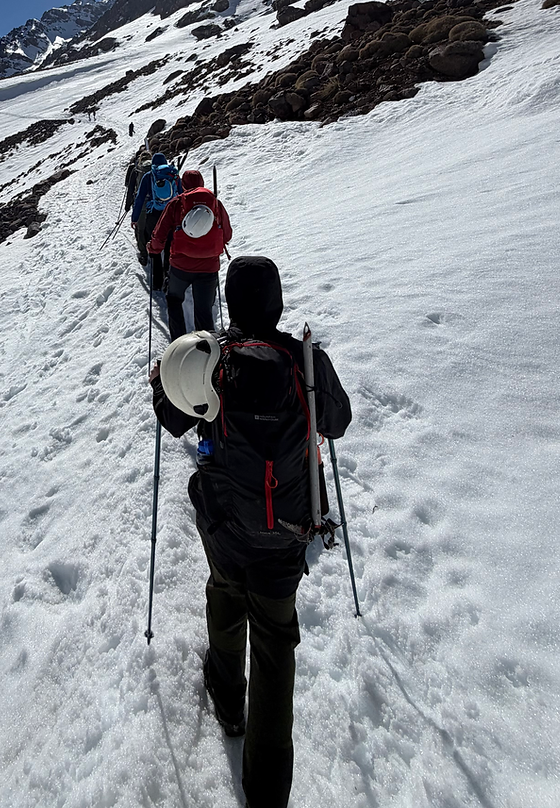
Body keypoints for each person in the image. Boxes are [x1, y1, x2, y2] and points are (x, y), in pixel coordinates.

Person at [149, 256, 352, 808]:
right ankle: (266, 790)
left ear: (231, 303)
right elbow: (338, 422)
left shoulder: (213, 360)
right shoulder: (304, 362)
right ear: (278, 302)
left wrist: (161, 379)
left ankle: (226, 698)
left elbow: (169, 419)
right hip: (287, 534)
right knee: (275, 642)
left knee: (224, 593)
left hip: (225, 523)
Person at [147, 169, 232, 341]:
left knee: (174, 300)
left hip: (180, 266)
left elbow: (160, 234)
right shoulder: (215, 203)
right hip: (209, 267)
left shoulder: (176, 203)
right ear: (202, 183)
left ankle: (179, 344)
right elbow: (227, 235)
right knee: (204, 310)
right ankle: (207, 352)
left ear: (183, 185)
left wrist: (153, 249)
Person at [131, 152, 180, 288]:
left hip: (154, 215)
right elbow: (182, 195)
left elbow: (140, 198)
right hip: (172, 214)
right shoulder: (173, 174)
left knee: (155, 246)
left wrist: (135, 218)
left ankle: (157, 281)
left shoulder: (149, 176)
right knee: (170, 246)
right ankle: (168, 277)